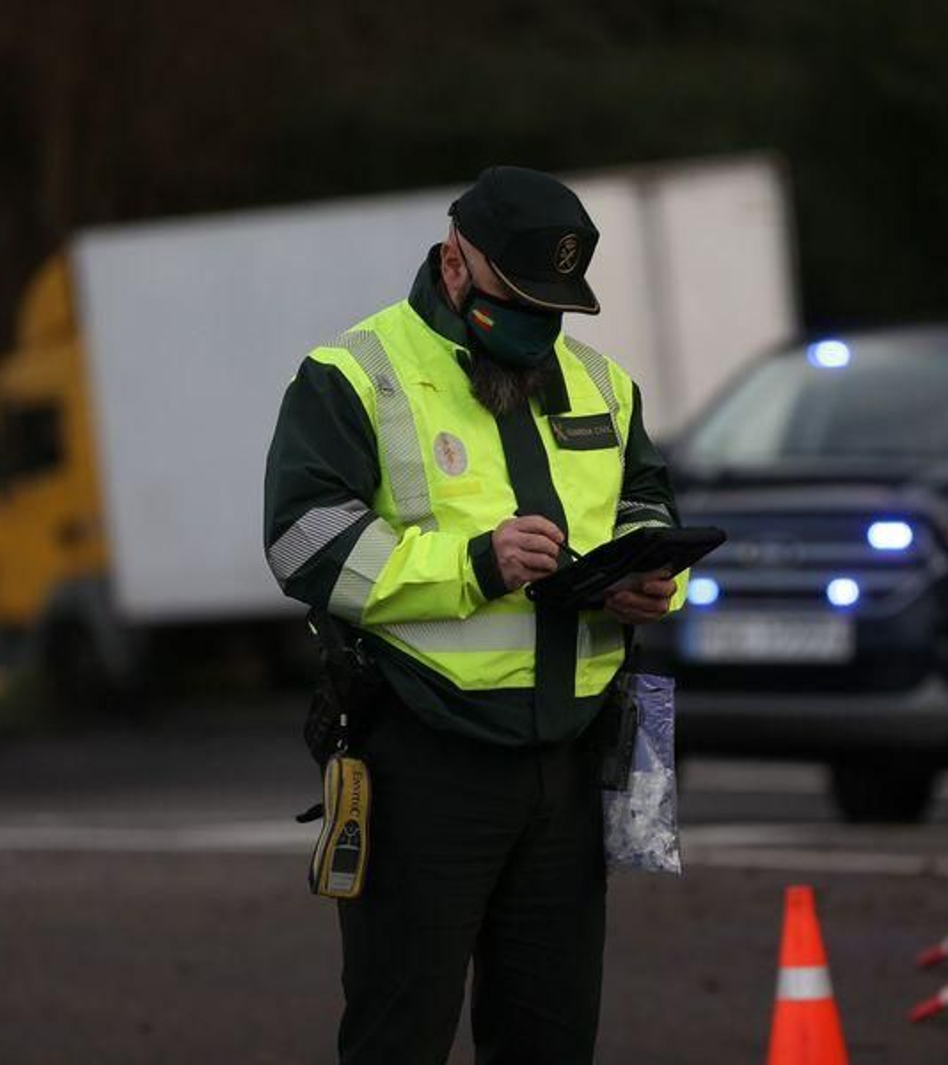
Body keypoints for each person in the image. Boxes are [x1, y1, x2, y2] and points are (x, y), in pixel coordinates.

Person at [262, 165, 685, 1065]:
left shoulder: (601, 383)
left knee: (552, 1037)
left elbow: (644, 495)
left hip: (570, 761)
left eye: (554, 309)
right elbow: (302, 541)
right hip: (426, 757)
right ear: (456, 264)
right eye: (518, 302)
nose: (537, 332)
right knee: (400, 1034)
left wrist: (649, 571)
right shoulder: (355, 373)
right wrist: (473, 564)